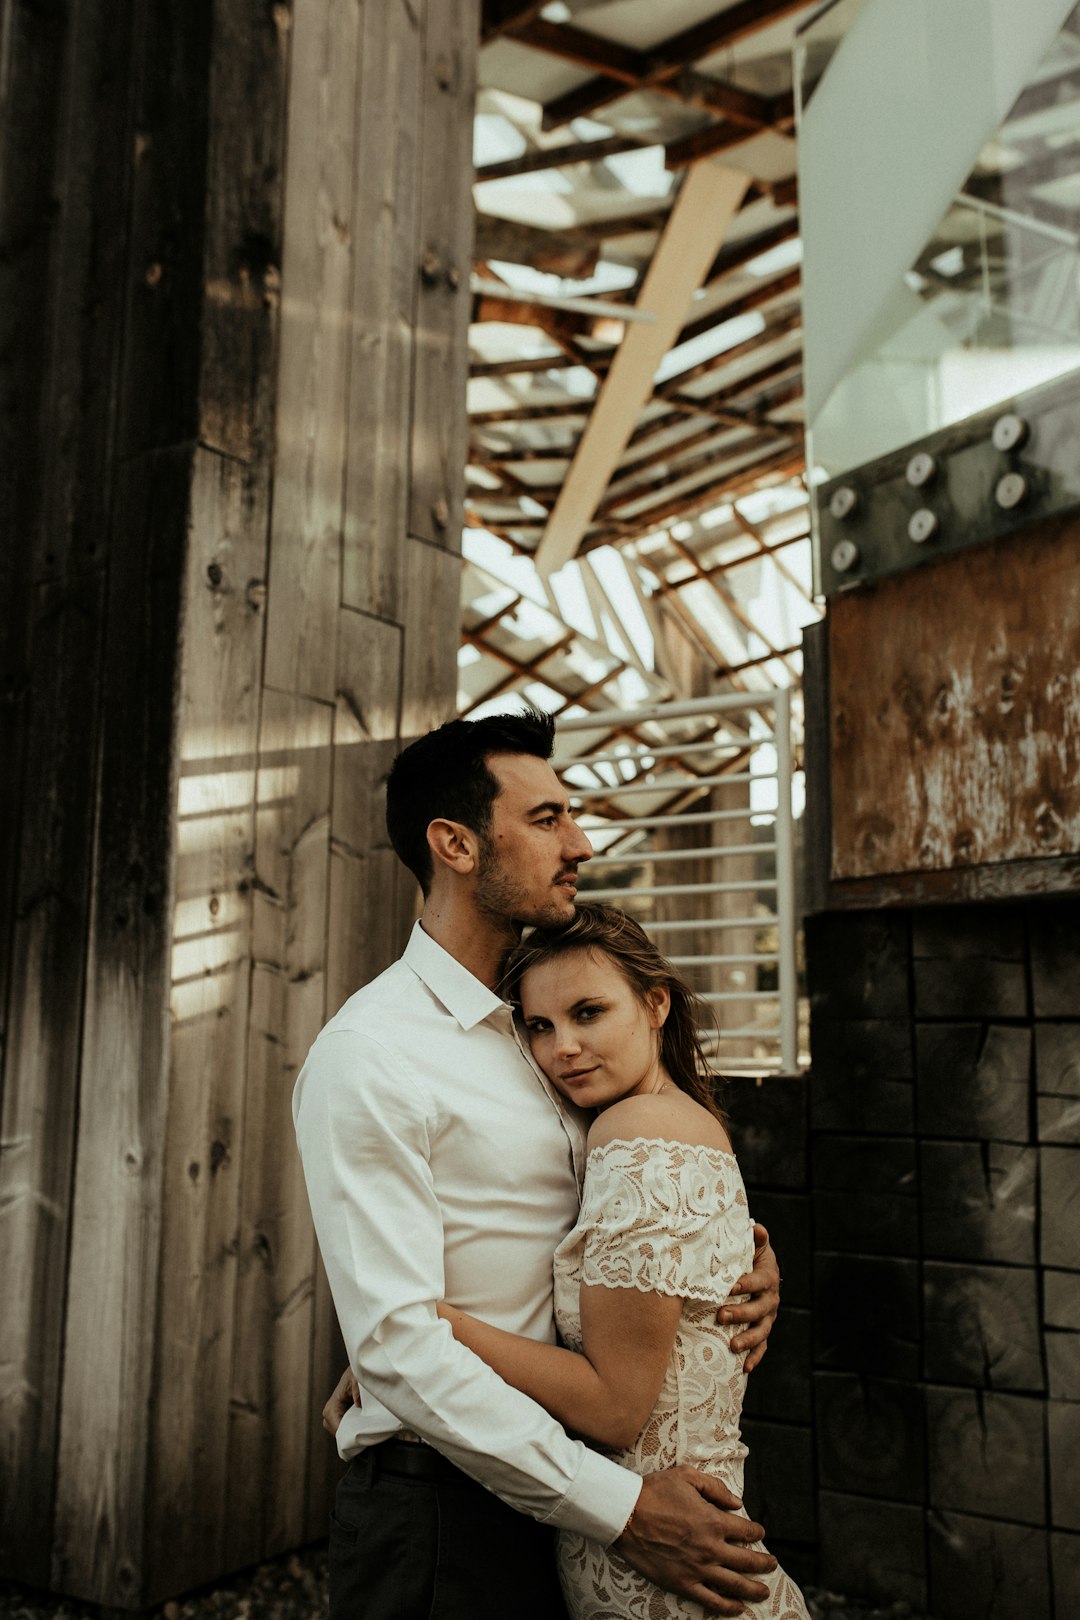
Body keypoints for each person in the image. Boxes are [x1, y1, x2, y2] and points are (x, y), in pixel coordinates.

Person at [293, 708, 781, 1620]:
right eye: (549, 818)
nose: (582, 843)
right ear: (457, 844)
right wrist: (624, 1510)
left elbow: (623, 1207)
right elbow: (398, 1345)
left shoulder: (548, 1020)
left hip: (566, 1495)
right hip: (446, 1514)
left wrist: (739, 1264)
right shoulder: (371, 1054)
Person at [437, 902, 810, 1619]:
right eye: (539, 1026)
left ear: (656, 1002)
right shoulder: (669, 1123)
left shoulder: (637, 1131)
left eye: (588, 1013)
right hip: (659, 1532)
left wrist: (425, 1325)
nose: (562, 1048)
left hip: (665, 1554)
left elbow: (613, 1409)